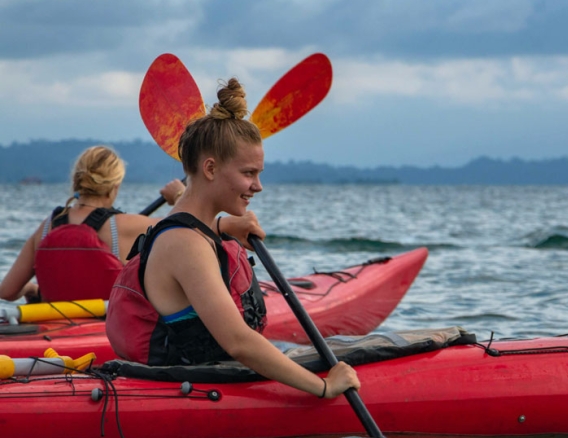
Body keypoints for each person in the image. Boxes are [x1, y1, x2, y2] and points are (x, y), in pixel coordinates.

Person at [106, 78, 360, 399]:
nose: (258, 186)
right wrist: (323, 387)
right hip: (188, 393)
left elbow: (192, 224)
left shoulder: (191, 231)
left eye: (259, 174)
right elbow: (238, 342)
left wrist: (225, 226)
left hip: (203, 375)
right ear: (210, 168)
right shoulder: (186, 245)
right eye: (249, 173)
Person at [0, 145, 253, 303]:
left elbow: (8, 291)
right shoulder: (124, 226)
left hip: (52, 330)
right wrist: (179, 196)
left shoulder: (47, 227)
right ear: (115, 186)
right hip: (101, 330)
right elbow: (189, 227)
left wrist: (32, 289)